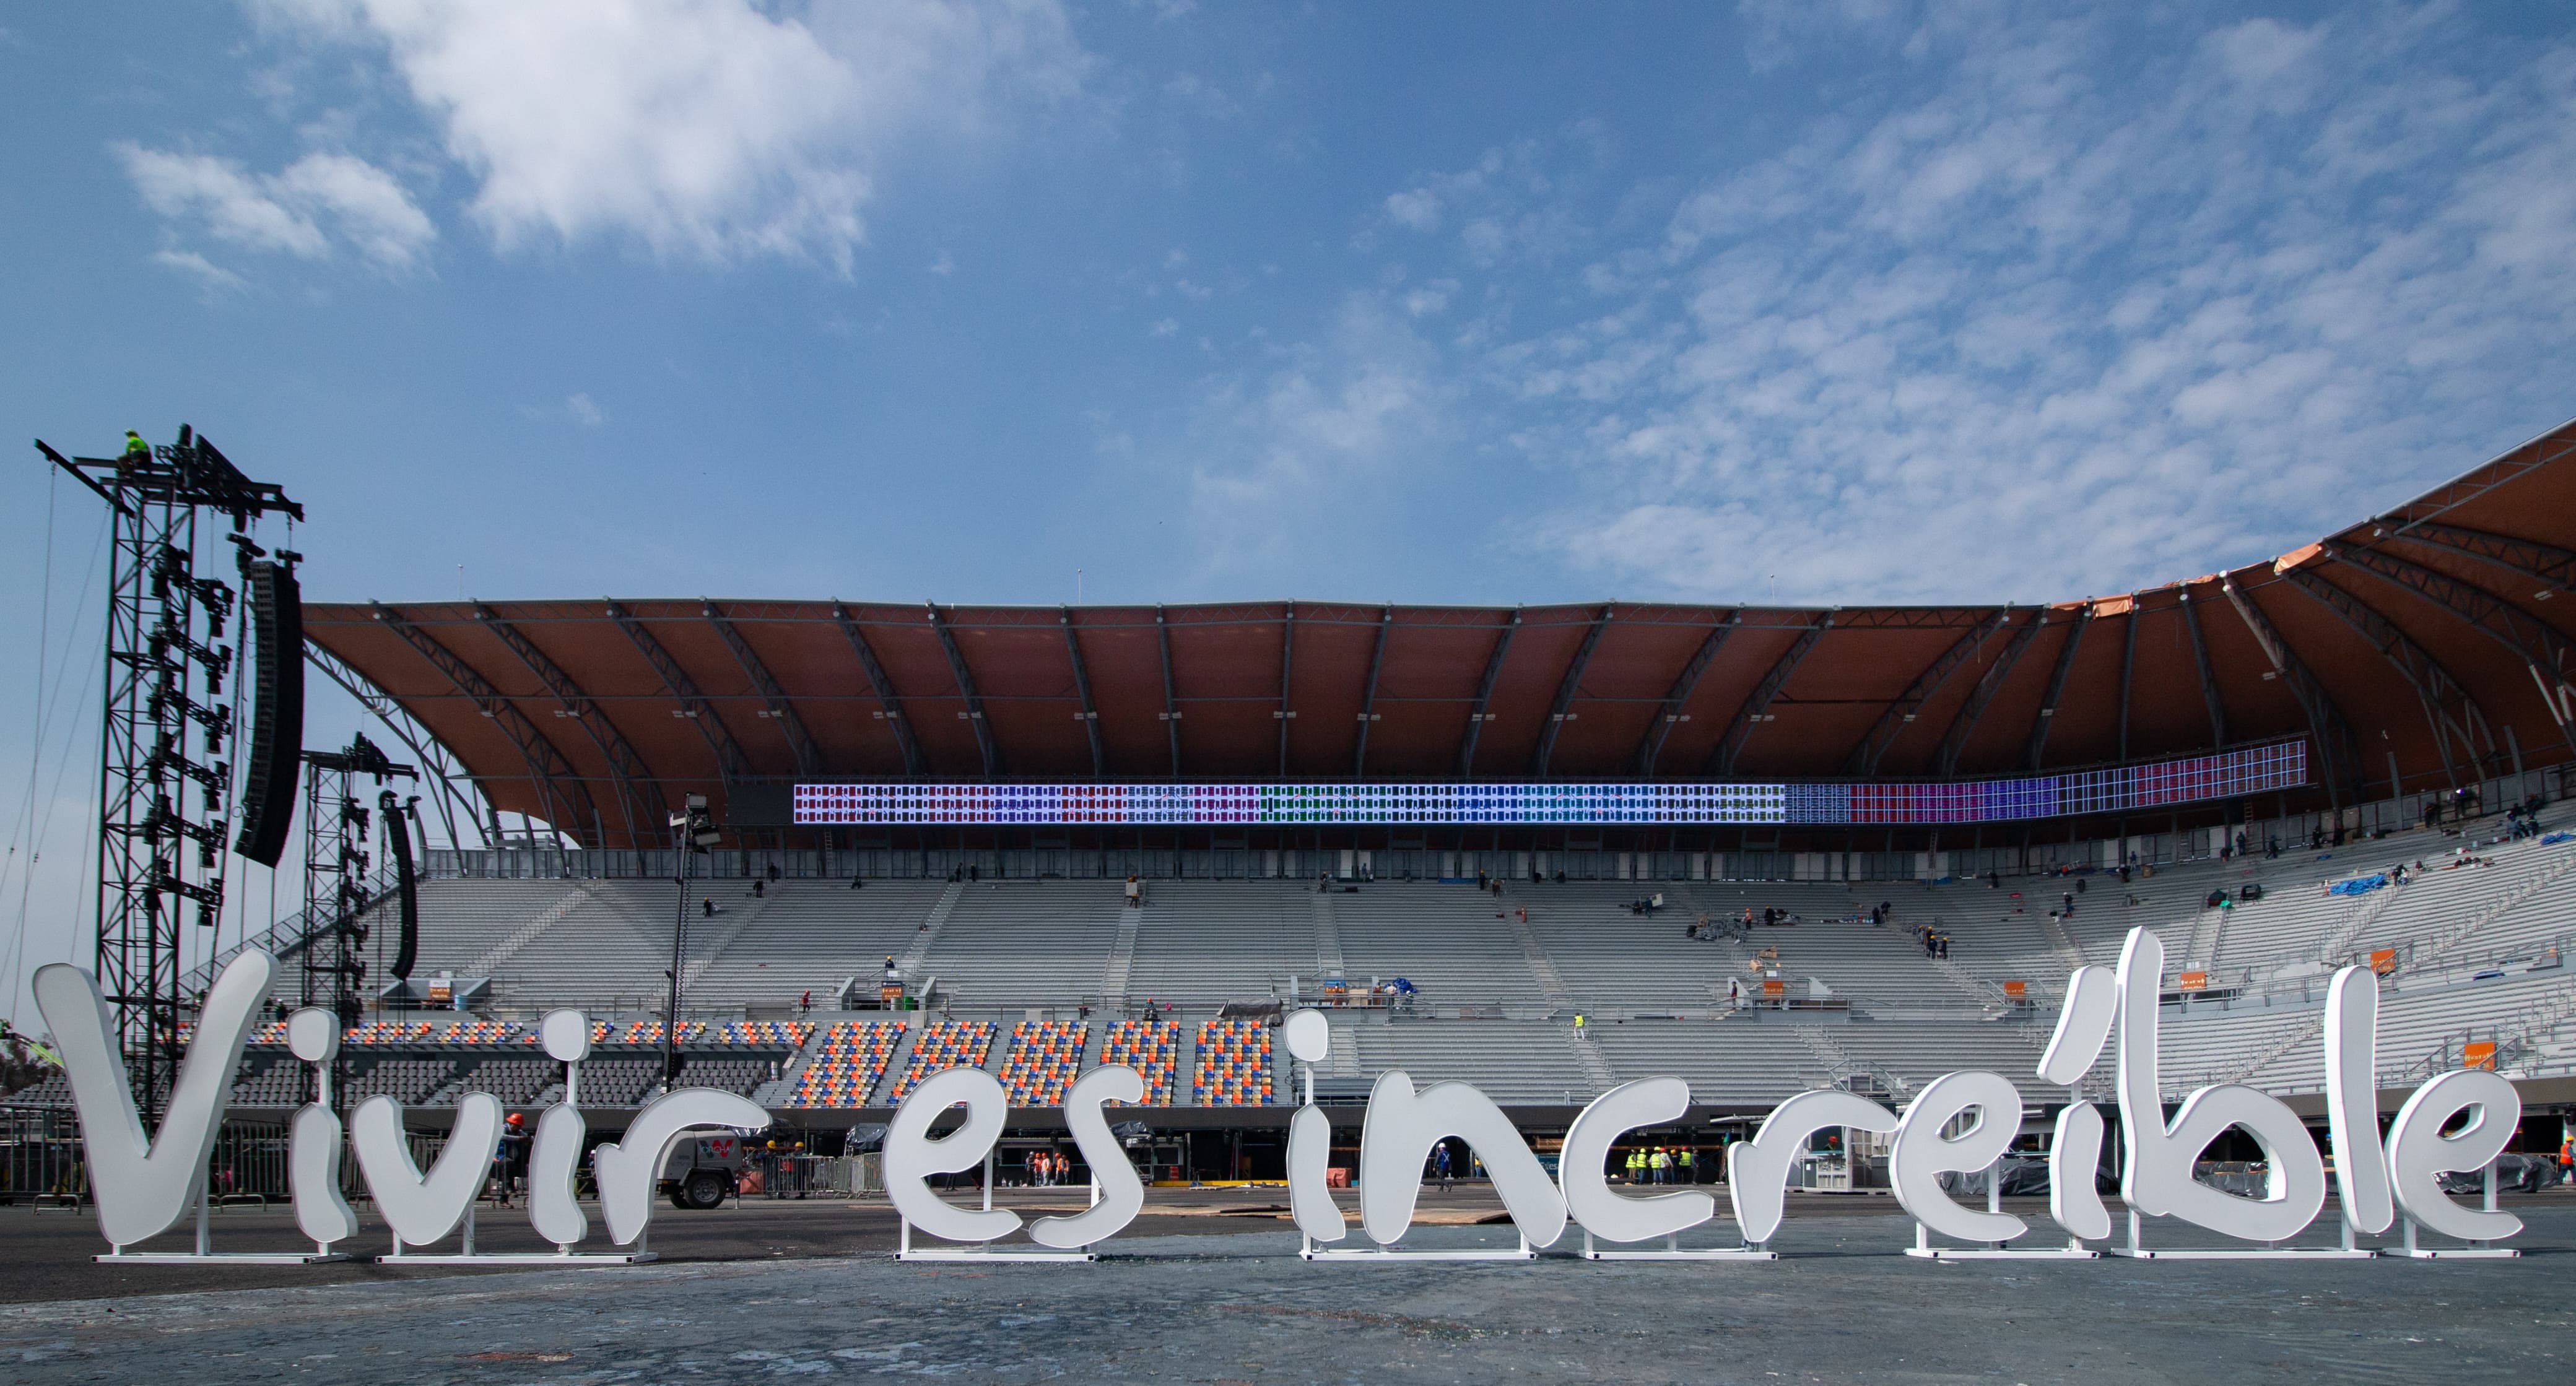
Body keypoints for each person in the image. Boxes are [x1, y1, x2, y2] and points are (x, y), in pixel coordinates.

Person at [494, 1112, 531, 1208]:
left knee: (509, 1173)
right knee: (508, 1165)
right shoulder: (504, 1128)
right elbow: (502, 1136)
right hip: (499, 1157)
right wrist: (519, 1139)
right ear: (511, 1124)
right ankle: (509, 1190)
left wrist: (529, 1139)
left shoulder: (518, 1131)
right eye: (517, 1126)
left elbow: (527, 1137)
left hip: (510, 1158)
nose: (519, 1128)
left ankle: (505, 1199)